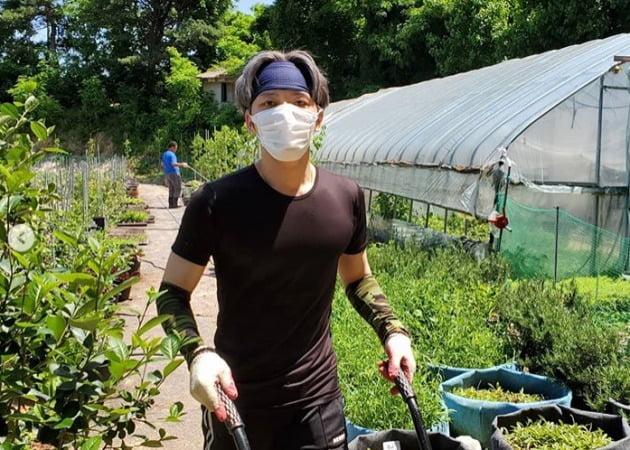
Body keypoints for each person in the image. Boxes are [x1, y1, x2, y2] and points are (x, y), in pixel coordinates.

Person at [156, 50, 416, 450]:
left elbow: (358, 278)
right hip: (234, 398)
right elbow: (171, 293)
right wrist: (198, 355)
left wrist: (393, 332)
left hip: (318, 403)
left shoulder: (345, 198)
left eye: (299, 103)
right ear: (250, 122)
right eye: (269, 104)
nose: (285, 113)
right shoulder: (215, 203)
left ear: (318, 116)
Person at [161, 141, 188, 208]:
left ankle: (171, 204)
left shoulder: (165, 154)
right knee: (178, 187)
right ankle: (175, 204)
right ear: (172, 147)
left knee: (171, 188)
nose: (176, 150)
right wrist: (182, 164)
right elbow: (173, 164)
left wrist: (166, 170)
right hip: (174, 173)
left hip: (167, 173)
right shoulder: (172, 154)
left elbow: (162, 164)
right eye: (176, 148)